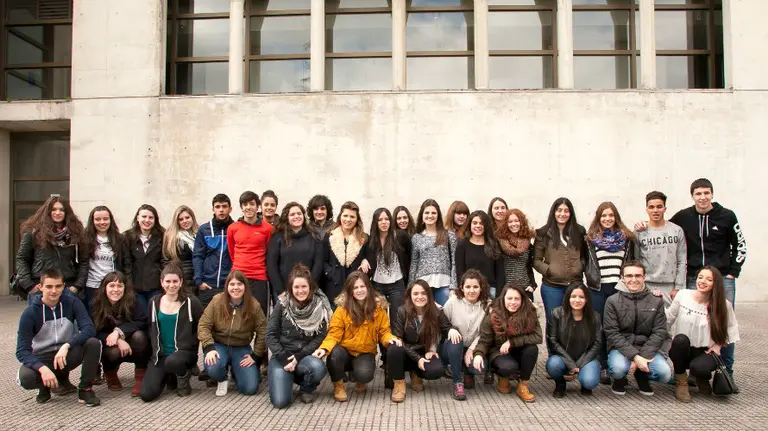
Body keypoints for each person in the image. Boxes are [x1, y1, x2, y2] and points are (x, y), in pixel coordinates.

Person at [669, 178, 746, 380]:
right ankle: (695, 368)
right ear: (692, 196)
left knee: (722, 322)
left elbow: (740, 245)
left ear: (712, 194)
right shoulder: (684, 217)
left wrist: (732, 272)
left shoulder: (727, 216)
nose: (703, 197)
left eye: (706, 193)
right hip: (695, 276)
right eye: (698, 194)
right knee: (692, 322)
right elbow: (666, 229)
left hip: (722, 279)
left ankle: (726, 371)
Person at [312, 271, 402, 402]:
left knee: (365, 375)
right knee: (334, 354)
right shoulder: (342, 309)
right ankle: (338, 385)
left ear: (368, 287)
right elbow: (333, 334)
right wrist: (324, 349)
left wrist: (390, 338)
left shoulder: (378, 308)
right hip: (345, 352)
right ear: (350, 290)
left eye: (362, 286)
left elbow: (384, 332)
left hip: (365, 352)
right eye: (355, 287)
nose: (359, 290)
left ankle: (360, 379)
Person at [16, 269, 101, 406]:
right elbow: (22, 351)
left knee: (93, 343)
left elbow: (89, 329)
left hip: (65, 353)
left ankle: (85, 389)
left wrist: (67, 345)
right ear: (40, 287)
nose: (54, 291)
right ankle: (44, 386)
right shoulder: (30, 313)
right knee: (26, 378)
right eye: (49, 286)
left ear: (64, 287)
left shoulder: (72, 302)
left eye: (58, 286)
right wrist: (42, 368)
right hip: (43, 357)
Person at [667, 266, 739, 402]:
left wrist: (718, 346)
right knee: (680, 340)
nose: (702, 281)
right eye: (700, 277)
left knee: (699, 368)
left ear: (715, 283)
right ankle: (681, 381)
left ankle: (702, 378)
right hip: (684, 348)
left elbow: (731, 329)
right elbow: (668, 318)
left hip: (705, 351)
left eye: (708, 279)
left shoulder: (723, 304)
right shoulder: (683, 295)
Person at [267, 264, 332, 408]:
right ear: (291, 288)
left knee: (318, 367)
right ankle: (284, 379)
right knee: (280, 403)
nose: (300, 290)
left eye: (304, 286)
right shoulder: (282, 304)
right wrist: (284, 358)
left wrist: (299, 357)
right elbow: (270, 335)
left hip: (304, 356)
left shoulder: (319, 305)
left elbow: (320, 337)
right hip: (282, 356)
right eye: (296, 287)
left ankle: (306, 388)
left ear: (310, 287)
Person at [603, 261, 671, 396]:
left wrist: (643, 357)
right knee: (618, 369)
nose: (633, 279)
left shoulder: (655, 301)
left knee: (664, 374)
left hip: (647, 348)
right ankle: (619, 379)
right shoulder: (612, 301)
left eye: (638, 276)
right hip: (621, 349)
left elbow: (659, 331)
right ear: (622, 278)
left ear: (644, 278)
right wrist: (634, 356)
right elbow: (612, 333)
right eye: (629, 276)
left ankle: (641, 375)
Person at [140, 265, 204, 402]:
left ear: (181, 282)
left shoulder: (191, 302)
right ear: (162, 282)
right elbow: (148, 328)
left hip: (184, 353)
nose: (171, 285)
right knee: (146, 394)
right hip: (160, 356)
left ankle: (184, 375)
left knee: (173, 361)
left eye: (175, 281)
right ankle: (169, 377)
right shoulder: (153, 302)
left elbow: (204, 326)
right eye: (168, 281)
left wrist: (208, 349)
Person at [198, 270, 266, 396]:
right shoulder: (217, 301)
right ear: (227, 286)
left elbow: (263, 330)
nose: (236, 288)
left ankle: (235, 371)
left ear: (245, 286)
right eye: (232, 284)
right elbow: (203, 325)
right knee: (213, 368)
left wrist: (255, 355)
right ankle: (222, 378)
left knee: (250, 388)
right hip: (219, 345)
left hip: (241, 348)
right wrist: (209, 347)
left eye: (239, 284)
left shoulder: (253, 305)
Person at [473, 284, 541, 402]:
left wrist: (512, 342)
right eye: (509, 298)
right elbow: (485, 340)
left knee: (532, 349)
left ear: (522, 300)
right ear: (503, 299)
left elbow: (538, 336)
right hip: (499, 351)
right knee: (508, 367)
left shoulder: (530, 313)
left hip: (520, 349)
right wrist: (478, 354)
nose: (513, 302)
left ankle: (523, 385)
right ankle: (502, 376)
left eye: (517, 299)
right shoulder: (494, 315)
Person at [388, 280, 453, 402]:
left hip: (425, 352)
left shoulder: (436, 311)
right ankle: (399, 383)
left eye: (423, 293)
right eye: (416, 293)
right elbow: (397, 338)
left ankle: (416, 374)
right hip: (406, 352)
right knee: (393, 347)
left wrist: (452, 330)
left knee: (436, 370)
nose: (420, 297)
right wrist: (417, 358)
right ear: (410, 296)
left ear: (429, 294)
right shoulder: (402, 311)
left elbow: (447, 327)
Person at [15, 196, 88, 300]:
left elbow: (84, 261)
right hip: (40, 288)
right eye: (53, 209)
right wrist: (29, 285)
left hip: (67, 287)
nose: (57, 213)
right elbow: (22, 259)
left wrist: (77, 286)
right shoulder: (33, 232)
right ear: (47, 211)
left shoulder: (76, 233)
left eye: (61, 209)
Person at [90, 271, 149, 396]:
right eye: (112, 285)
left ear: (125, 288)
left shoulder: (134, 300)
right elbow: (94, 331)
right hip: (110, 345)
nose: (115, 289)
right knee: (110, 350)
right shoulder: (96, 304)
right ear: (104, 287)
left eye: (119, 286)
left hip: (132, 343)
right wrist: (117, 339)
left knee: (140, 336)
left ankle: (140, 377)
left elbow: (142, 321)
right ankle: (110, 373)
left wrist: (119, 332)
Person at [533, 197, 587, 325]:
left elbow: (584, 256)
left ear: (571, 213)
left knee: (575, 322)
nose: (562, 214)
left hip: (575, 286)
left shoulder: (579, 232)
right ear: (553, 212)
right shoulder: (543, 233)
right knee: (554, 323)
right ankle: (553, 346)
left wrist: (580, 266)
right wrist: (549, 270)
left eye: (566, 211)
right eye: (559, 210)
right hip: (552, 286)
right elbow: (536, 260)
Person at [442, 270, 493, 397]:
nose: (472, 290)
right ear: (462, 288)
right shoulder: (453, 302)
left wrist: (471, 349)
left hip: (474, 346)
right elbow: (442, 323)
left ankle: (468, 372)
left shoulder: (487, 305)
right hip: (452, 345)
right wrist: (450, 330)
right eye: (468, 287)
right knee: (455, 339)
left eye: (475, 287)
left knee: (479, 368)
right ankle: (457, 382)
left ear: (481, 288)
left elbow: (485, 333)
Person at [546, 282, 602, 398]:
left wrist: (581, 363)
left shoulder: (595, 316)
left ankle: (585, 385)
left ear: (587, 299)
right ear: (567, 298)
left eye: (581, 297)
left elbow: (597, 343)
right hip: (562, 357)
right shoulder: (556, 313)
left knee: (589, 381)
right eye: (573, 296)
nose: (577, 300)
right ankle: (560, 384)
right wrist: (570, 363)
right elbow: (552, 340)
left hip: (586, 357)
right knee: (553, 365)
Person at [634, 191, 687, 307]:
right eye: (651, 207)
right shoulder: (640, 232)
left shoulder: (676, 230)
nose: (655, 210)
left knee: (668, 322)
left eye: (659, 206)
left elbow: (682, 260)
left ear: (665, 209)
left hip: (670, 286)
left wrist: (678, 287)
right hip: (646, 285)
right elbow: (636, 262)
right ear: (647, 209)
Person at [361, 207, 411, 324]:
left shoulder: (399, 236)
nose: (384, 222)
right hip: (377, 286)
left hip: (397, 285)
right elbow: (364, 255)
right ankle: (382, 342)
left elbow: (408, 257)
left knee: (397, 319)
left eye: (387, 219)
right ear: (375, 222)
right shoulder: (370, 240)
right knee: (378, 319)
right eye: (380, 220)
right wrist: (364, 260)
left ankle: (396, 341)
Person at [228, 191, 274, 316]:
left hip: (259, 277)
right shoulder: (233, 228)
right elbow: (232, 252)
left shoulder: (268, 229)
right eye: (245, 204)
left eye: (252, 204)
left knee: (260, 314)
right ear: (241, 207)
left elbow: (270, 253)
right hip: (238, 276)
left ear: (257, 206)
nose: (248, 207)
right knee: (237, 314)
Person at [586, 201, 636, 315]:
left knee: (619, 322)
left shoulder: (627, 238)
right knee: (599, 323)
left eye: (611, 215)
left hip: (620, 287)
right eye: (603, 215)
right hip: (598, 288)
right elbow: (585, 262)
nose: (607, 218)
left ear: (616, 217)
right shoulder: (591, 239)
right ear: (598, 218)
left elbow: (632, 262)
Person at [267, 202, 323, 299]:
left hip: (307, 291)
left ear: (303, 216)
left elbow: (318, 264)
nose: (296, 216)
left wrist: (310, 286)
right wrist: (281, 291)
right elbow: (272, 266)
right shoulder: (278, 237)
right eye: (292, 214)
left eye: (299, 213)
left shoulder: (313, 237)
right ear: (286, 218)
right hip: (284, 292)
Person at [409, 199, 458, 306]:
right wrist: (411, 288)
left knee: (444, 316)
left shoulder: (450, 235)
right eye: (427, 212)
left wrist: (454, 287)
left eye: (433, 213)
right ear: (422, 216)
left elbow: (454, 261)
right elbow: (414, 263)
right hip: (422, 285)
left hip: (444, 283)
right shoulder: (416, 238)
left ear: (438, 215)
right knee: (425, 318)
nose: (430, 216)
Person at [84, 205, 131, 313]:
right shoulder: (85, 238)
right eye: (98, 219)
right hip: (92, 286)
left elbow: (126, 264)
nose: (102, 222)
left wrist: (127, 284)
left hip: (113, 286)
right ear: (92, 221)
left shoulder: (120, 239)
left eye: (105, 219)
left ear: (111, 220)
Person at [193, 193, 235, 308]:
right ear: (213, 209)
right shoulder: (204, 229)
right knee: (206, 322)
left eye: (224, 206)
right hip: (208, 285)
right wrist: (199, 281)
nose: (221, 210)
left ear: (230, 209)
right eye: (217, 207)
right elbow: (198, 256)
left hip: (229, 285)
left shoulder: (236, 228)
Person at [322, 201, 369, 303]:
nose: (348, 219)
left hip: (356, 289)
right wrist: (332, 273)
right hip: (334, 288)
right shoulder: (329, 236)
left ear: (357, 219)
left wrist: (366, 261)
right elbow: (323, 261)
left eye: (352, 217)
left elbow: (371, 262)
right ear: (340, 217)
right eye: (345, 216)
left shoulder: (364, 238)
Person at [455, 210, 503, 298]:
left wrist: (499, 295)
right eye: (475, 223)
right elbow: (459, 272)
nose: (478, 226)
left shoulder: (494, 244)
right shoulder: (462, 245)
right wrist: (462, 291)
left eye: (481, 223)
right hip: (470, 291)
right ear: (470, 225)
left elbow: (500, 272)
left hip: (490, 291)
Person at [125, 204, 166, 307]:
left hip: (156, 288)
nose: (147, 220)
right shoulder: (127, 237)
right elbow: (127, 264)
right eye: (144, 216)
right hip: (135, 289)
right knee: (141, 317)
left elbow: (165, 261)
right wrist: (129, 287)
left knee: (154, 317)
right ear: (138, 217)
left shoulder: (163, 236)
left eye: (151, 217)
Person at [495, 209, 537, 301]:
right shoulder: (500, 242)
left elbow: (529, 267)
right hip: (506, 290)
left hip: (525, 289)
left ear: (521, 222)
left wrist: (532, 285)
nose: (514, 224)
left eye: (516, 221)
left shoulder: (528, 244)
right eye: (510, 222)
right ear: (506, 224)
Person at [163, 205, 199, 297]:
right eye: (181, 219)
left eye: (187, 217)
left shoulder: (200, 233)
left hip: (198, 279)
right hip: (182, 280)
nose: (185, 221)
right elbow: (166, 259)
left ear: (192, 218)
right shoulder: (171, 236)